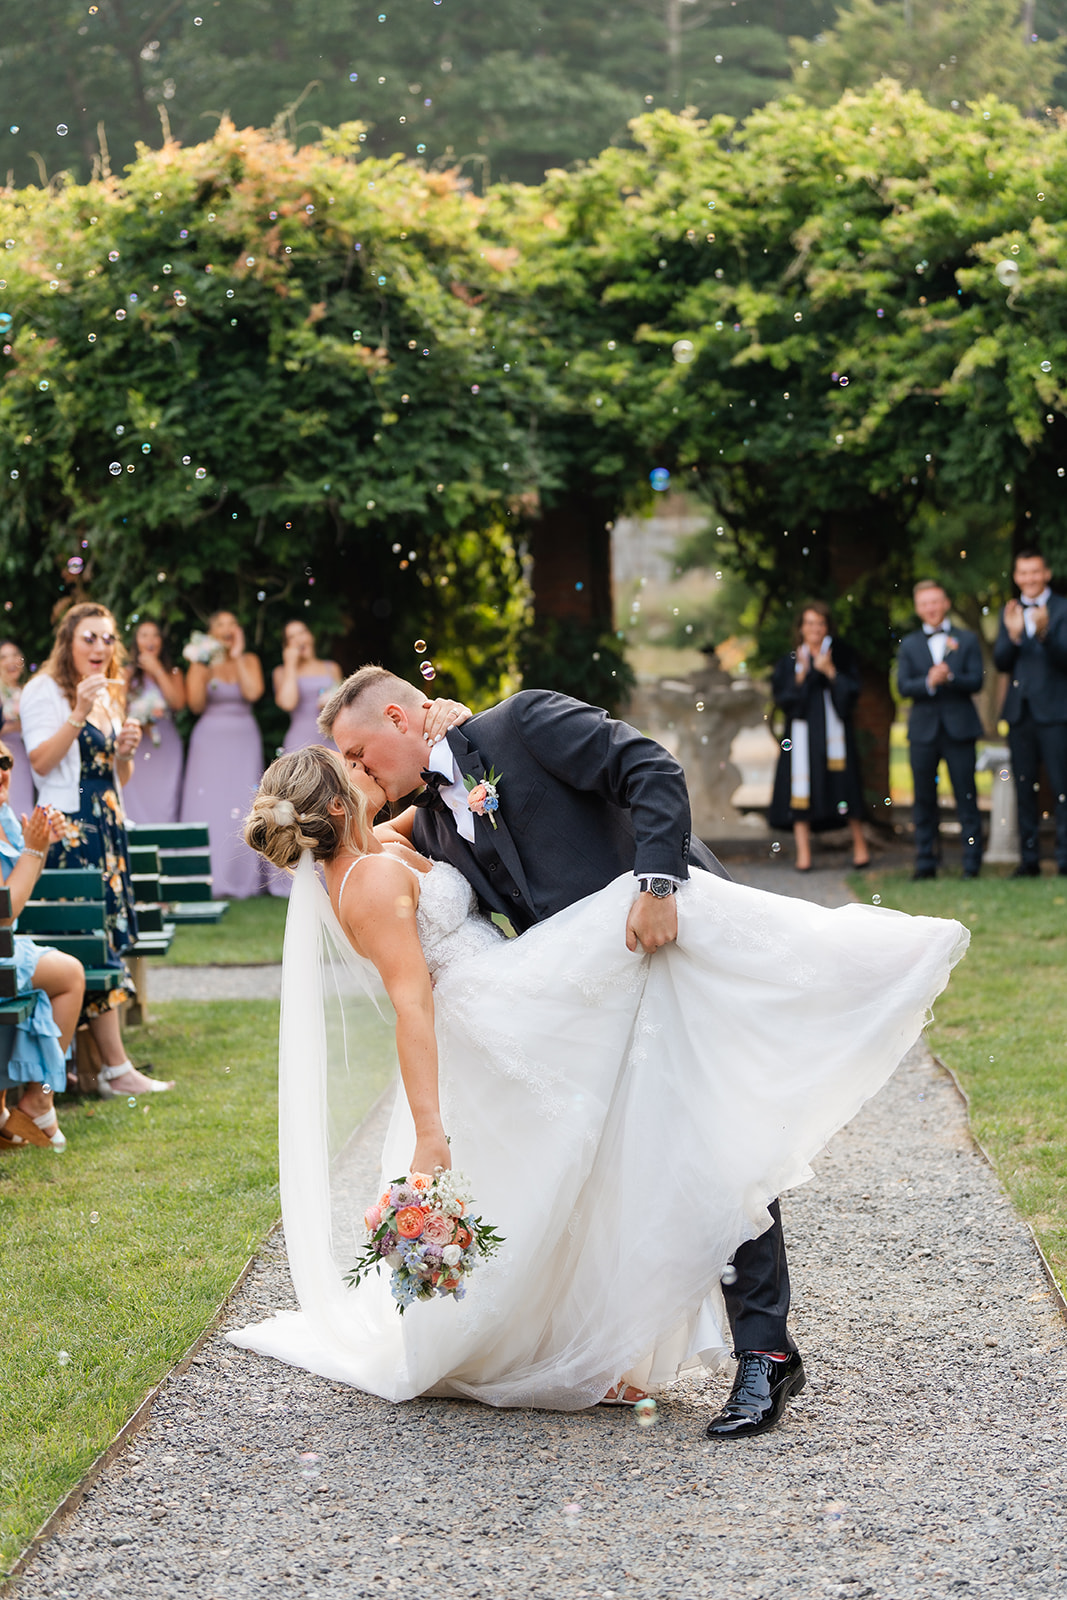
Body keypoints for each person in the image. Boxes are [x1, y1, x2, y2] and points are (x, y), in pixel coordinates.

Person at [226, 673, 967, 1438]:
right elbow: (369, 854)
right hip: (588, 1009)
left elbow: (650, 768)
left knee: (721, 1135)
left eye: (357, 749)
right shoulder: (432, 827)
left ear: (396, 715)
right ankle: (633, 1339)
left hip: (668, 939)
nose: (355, 765)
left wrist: (655, 882)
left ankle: (763, 1354)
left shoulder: (524, 725)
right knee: (636, 1163)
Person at [19, 603, 175, 1100]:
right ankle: (112, 1067)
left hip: (105, 824)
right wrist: (79, 713)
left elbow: (110, 777)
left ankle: (97, 1066)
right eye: (89, 638)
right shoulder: (43, 690)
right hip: (70, 828)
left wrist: (125, 752)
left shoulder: (111, 693)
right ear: (68, 642)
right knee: (88, 937)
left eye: (108, 639)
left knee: (105, 932)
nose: (100, 648)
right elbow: (41, 763)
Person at [0, 743, 86, 1151]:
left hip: (4, 950)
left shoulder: (3, 816)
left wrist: (41, 845)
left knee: (53, 975)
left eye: (6, 762)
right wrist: (34, 851)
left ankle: (17, 1104)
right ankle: (38, 1101)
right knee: (69, 975)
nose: (2, 771)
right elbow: (4, 911)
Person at [768, 601, 870, 872]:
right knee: (799, 788)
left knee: (845, 786)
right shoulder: (791, 661)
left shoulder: (841, 656)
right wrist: (801, 676)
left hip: (834, 737)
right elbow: (784, 699)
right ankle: (804, 853)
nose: (815, 628)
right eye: (809, 623)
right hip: (801, 737)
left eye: (820, 623)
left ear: (828, 627)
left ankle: (860, 846)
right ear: (801, 628)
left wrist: (829, 671)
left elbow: (852, 695)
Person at [897, 581, 985, 881]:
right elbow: (903, 686)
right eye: (925, 603)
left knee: (966, 797)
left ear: (945, 602)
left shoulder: (967, 639)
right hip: (922, 732)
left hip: (960, 729)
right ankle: (926, 862)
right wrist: (928, 682)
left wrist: (952, 677)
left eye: (935, 601)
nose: (931, 608)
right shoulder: (908, 645)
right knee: (923, 799)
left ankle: (972, 864)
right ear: (918, 607)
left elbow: (977, 681)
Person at [180, 610, 265, 899]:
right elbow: (194, 703)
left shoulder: (249, 660)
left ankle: (241, 879)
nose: (227, 629)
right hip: (210, 742)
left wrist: (238, 655)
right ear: (210, 632)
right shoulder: (201, 660)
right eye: (220, 624)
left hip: (244, 740)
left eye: (232, 623)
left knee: (242, 802)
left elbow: (253, 693)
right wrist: (202, 664)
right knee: (211, 805)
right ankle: (206, 876)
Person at [993, 549, 1067, 877]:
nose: (1029, 579)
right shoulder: (1009, 611)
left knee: (1062, 787)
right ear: (1016, 576)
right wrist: (1012, 635)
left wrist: (1044, 633)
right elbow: (1001, 662)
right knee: (1024, 788)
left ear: (1046, 573)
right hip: (1020, 713)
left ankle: (1064, 859)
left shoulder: (1063, 609)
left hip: (1055, 711)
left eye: (1035, 572)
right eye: (1023, 573)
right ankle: (1029, 860)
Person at [267, 622, 342, 898]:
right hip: (299, 740)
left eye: (303, 632)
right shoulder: (282, 672)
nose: (300, 639)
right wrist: (290, 664)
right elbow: (287, 702)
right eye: (292, 636)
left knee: (332, 804)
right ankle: (296, 873)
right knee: (296, 807)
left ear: (311, 636)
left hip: (329, 740)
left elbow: (344, 705)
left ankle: (332, 872)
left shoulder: (330, 668)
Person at [121, 620, 187, 825]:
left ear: (161, 641)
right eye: (144, 635)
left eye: (155, 635)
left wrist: (157, 669)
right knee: (135, 801)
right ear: (136, 642)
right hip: (137, 746)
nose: (150, 640)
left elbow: (178, 703)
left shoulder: (173, 672)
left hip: (165, 745)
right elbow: (118, 710)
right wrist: (139, 719)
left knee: (165, 802)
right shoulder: (126, 674)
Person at [0, 639, 36, 817]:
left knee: (24, 802)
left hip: (25, 753)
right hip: (4, 754)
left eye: (15, 655)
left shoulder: (29, 691)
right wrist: (16, 726)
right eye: (3, 657)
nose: (11, 661)